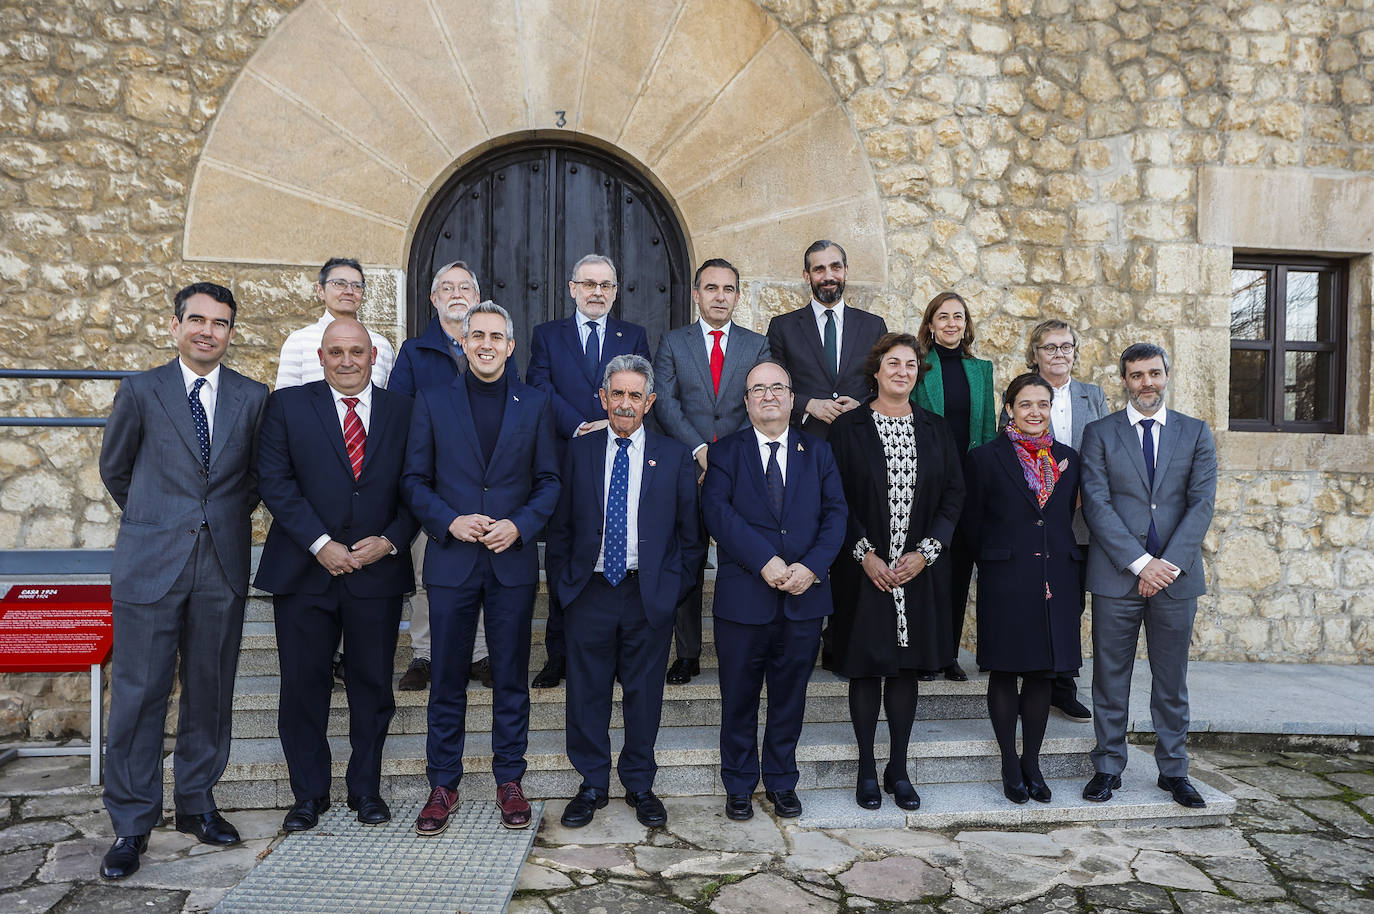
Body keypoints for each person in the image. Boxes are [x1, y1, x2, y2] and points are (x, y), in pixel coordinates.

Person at [97, 282, 270, 879]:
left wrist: (211, 522)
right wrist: (159, 523)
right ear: (174, 326)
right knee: (139, 695)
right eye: (196, 320)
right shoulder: (142, 390)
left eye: (219, 323)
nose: (207, 331)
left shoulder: (253, 396)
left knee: (211, 691)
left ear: (229, 332)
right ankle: (131, 822)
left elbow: (252, 481)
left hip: (220, 562)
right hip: (150, 565)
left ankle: (197, 803)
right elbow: (116, 469)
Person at [401, 301, 560, 833]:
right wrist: (449, 521)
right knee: (446, 680)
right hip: (451, 563)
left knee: (511, 678)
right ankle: (443, 785)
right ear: (463, 344)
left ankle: (509, 779)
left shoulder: (534, 404)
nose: (487, 344)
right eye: (478, 336)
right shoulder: (432, 401)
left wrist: (520, 524)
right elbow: (414, 481)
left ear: (510, 347)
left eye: (497, 336)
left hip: (511, 563)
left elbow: (549, 483)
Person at [254, 319, 417, 830]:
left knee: (372, 688)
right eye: (336, 352)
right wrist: (321, 544)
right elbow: (275, 483)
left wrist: (390, 540)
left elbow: (420, 486)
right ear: (321, 358)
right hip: (305, 570)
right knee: (303, 688)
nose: (347, 361)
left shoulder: (404, 412)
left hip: (377, 573)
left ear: (373, 356)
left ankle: (365, 790)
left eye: (356, 352)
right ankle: (308, 795)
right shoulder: (287, 406)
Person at [546, 355, 702, 828]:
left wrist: (671, 590)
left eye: (636, 395)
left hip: (645, 594)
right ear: (603, 397)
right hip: (589, 591)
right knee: (586, 695)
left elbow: (690, 538)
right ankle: (592, 783)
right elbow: (561, 529)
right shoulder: (579, 452)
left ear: (650, 402)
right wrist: (565, 587)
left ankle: (639, 783)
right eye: (618, 394)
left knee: (643, 695)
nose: (626, 403)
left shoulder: (673, 456)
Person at [702, 361, 846, 821]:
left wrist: (813, 566)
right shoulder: (725, 453)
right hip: (744, 599)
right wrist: (763, 560)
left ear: (790, 396)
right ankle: (740, 785)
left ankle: (782, 781)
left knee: (789, 699)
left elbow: (836, 515)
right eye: (757, 389)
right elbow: (717, 514)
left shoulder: (818, 452)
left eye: (776, 388)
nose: (768, 396)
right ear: (745, 402)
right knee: (739, 698)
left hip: (804, 599)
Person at [826, 333, 964, 812]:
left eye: (910, 365)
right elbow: (835, 498)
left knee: (905, 672)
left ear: (917, 374)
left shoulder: (936, 429)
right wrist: (864, 554)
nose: (902, 371)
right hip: (864, 572)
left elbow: (952, 496)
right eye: (893, 363)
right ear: (876, 370)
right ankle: (866, 767)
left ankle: (897, 768)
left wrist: (926, 552)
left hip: (918, 573)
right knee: (866, 670)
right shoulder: (848, 429)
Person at [1079, 343, 1217, 809]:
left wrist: (1165, 566)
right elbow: (1096, 504)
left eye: (1154, 374)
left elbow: (1201, 505)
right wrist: (1140, 563)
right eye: (1136, 376)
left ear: (1167, 374)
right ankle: (1108, 767)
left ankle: (1174, 771)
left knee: (1171, 678)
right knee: (1109, 676)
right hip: (1118, 576)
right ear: (1124, 380)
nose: (1147, 384)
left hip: (1177, 579)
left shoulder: (1196, 433)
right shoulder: (1100, 433)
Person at [390, 261, 516, 692]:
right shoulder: (414, 352)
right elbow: (398, 415)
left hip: (489, 492)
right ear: (433, 298)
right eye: (447, 287)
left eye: (466, 286)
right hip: (438, 491)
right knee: (428, 576)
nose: (456, 293)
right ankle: (425, 654)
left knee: (485, 572)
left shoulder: (494, 349)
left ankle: (479, 654)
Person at [526, 254, 651, 689]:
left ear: (616, 291)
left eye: (606, 285)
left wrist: (610, 422)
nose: (597, 291)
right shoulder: (547, 336)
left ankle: (616, 654)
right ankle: (558, 655)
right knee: (568, 554)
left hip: (618, 456)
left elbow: (640, 390)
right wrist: (581, 426)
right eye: (589, 283)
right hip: (568, 458)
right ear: (572, 287)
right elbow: (539, 387)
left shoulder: (633, 335)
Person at [964, 373, 1082, 805]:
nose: (1035, 412)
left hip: (1057, 578)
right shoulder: (985, 458)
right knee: (1005, 670)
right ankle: (1009, 762)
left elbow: (1062, 517)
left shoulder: (1068, 459)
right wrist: (995, 561)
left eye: (1043, 404)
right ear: (1009, 408)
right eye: (1026, 404)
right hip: (1006, 577)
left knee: (1041, 674)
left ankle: (1032, 761)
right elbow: (972, 523)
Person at [651, 258, 770, 684]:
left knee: (743, 556)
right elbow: (664, 401)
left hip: (740, 469)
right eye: (711, 288)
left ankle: (746, 645)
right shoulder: (672, 342)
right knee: (688, 559)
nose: (720, 296)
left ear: (737, 296)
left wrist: (720, 458)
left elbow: (760, 400)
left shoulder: (757, 345)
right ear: (696, 294)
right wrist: (700, 449)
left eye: (728, 289)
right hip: (686, 469)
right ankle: (687, 653)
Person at [1019, 319, 1109, 722]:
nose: (1059, 354)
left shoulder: (1093, 396)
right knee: (1035, 601)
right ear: (1035, 354)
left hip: (1082, 518)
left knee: (1071, 604)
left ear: (1075, 351)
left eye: (1066, 346)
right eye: (1049, 347)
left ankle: (1064, 685)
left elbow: (1106, 451)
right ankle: (1033, 681)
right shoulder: (1024, 394)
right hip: (1037, 516)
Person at [911, 290, 995, 682]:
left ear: (966, 324)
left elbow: (988, 431)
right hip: (927, 483)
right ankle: (923, 654)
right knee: (927, 569)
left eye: (958, 317)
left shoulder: (981, 370)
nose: (951, 324)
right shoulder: (918, 367)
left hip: (970, 484)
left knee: (960, 570)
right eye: (942, 317)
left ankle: (947, 655)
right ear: (930, 324)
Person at [766, 240, 887, 440]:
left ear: (846, 271)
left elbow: (885, 382)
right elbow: (772, 383)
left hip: (860, 439)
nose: (828, 276)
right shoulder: (782, 327)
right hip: (804, 441)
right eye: (819, 269)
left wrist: (862, 406)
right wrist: (808, 404)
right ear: (807, 276)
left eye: (835, 267)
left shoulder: (874, 326)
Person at [275, 257, 395, 390]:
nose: (349, 291)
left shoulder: (381, 345)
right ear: (320, 290)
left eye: (356, 286)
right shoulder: (299, 341)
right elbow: (285, 401)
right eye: (339, 283)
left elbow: (387, 403)